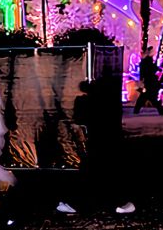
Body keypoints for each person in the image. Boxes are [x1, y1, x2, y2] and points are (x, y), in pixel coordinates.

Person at [57, 79, 134, 215]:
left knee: (93, 171)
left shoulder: (86, 102)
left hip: (97, 141)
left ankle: (78, 203)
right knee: (103, 172)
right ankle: (115, 202)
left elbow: (80, 119)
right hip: (105, 141)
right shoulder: (108, 103)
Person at [133, 48, 163, 115]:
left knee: (145, 97)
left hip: (149, 81)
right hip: (150, 81)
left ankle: (136, 110)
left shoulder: (145, 61)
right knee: (150, 98)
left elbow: (144, 72)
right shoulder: (147, 61)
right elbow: (150, 70)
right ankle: (161, 111)